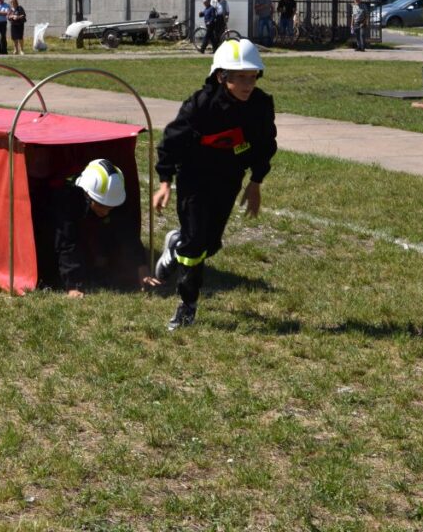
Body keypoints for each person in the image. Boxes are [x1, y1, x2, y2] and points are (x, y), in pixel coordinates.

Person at [152, 38, 277, 331]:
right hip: (194, 178)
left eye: (253, 77)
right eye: (241, 78)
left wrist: (255, 182)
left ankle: (175, 243)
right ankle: (187, 305)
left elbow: (264, 145)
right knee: (195, 246)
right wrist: (165, 181)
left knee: (211, 244)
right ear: (222, 76)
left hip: (229, 179)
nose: (248, 84)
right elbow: (171, 140)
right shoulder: (200, 105)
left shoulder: (260, 105)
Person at [27, 154, 154, 297]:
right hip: (48, 238)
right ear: (87, 195)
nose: (106, 212)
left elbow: (127, 232)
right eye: (101, 205)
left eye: (110, 207)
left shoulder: (113, 199)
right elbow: (67, 244)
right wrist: (73, 286)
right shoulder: (66, 201)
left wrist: (142, 267)